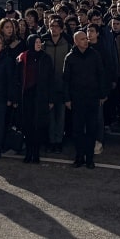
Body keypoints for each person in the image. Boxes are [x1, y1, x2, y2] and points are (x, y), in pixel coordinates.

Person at [64, 29, 106, 169]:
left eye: (85, 38)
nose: (85, 41)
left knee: (91, 129)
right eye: (82, 39)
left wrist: (102, 94)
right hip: (77, 99)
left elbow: (101, 74)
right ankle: (79, 156)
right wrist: (67, 99)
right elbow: (66, 80)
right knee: (77, 129)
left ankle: (89, 158)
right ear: (76, 42)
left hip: (92, 98)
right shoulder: (70, 58)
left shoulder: (94, 55)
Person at [13, 34, 53, 163]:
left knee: (38, 125)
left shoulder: (45, 58)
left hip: (40, 95)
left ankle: (36, 153)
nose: (38, 44)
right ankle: (28, 151)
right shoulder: (22, 57)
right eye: (36, 42)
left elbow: (50, 79)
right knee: (27, 125)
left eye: (39, 42)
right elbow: (17, 79)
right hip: (26, 96)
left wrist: (50, 99)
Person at [41, 16, 72, 153]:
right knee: (49, 115)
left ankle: (58, 140)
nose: (53, 29)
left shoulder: (67, 43)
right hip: (47, 85)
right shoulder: (43, 42)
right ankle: (50, 140)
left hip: (62, 85)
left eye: (56, 26)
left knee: (61, 115)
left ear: (61, 28)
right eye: (51, 26)